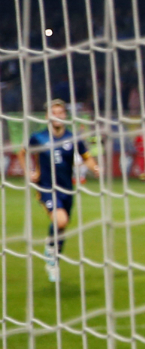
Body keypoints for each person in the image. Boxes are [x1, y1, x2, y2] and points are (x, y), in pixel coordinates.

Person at [20, 99, 101, 282]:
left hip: (67, 189)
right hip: (46, 188)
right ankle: (50, 253)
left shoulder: (72, 138)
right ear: (47, 116)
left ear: (65, 116)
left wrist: (95, 168)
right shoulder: (38, 137)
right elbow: (23, 153)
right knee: (61, 220)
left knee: (62, 227)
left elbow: (85, 157)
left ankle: (53, 259)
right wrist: (29, 172)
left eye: (61, 112)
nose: (57, 116)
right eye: (54, 112)